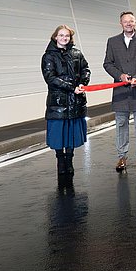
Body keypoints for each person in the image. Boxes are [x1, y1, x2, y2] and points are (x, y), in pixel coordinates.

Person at [103, 11, 136, 171]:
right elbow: (107, 63)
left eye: (131, 21)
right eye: (125, 21)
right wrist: (120, 76)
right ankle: (122, 157)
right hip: (121, 91)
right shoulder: (112, 42)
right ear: (121, 23)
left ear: (135, 22)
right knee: (121, 124)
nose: (128, 24)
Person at [41, 25, 90, 177]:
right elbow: (50, 78)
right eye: (61, 35)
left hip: (75, 100)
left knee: (70, 133)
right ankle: (60, 161)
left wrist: (83, 83)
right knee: (58, 134)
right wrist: (71, 87)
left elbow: (85, 69)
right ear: (55, 37)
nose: (64, 38)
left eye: (67, 36)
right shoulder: (48, 56)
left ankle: (69, 161)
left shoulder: (77, 53)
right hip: (58, 102)